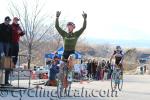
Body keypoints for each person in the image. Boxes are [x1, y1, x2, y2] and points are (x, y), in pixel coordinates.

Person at [0, 16, 12, 86]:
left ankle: (5, 81)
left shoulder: (9, 27)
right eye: (7, 21)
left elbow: (11, 36)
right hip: (1, 42)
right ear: (5, 20)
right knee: (2, 54)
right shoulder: (1, 26)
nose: (8, 22)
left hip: (7, 43)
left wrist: (10, 44)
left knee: (6, 59)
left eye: (9, 21)